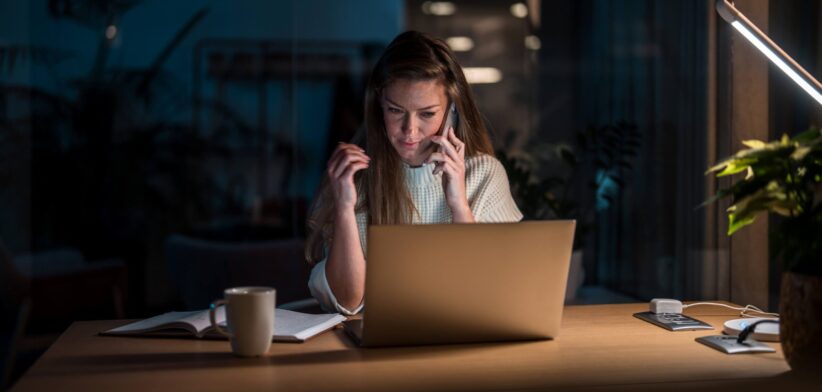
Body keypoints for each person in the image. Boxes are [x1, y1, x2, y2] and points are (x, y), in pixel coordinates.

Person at [305, 31, 522, 315]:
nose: (410, 130)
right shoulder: (352, 176)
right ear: (379, 106)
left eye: (427, 114)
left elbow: (490, 288)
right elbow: (348, 301)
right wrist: (345, 206)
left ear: (452, 111)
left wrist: (459, 205)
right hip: (380, 349)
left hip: (463, 342)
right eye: (396, 110)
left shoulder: (484, 174)